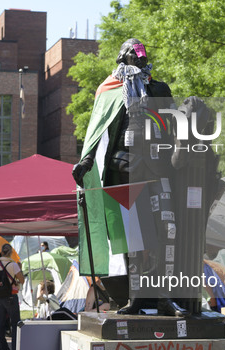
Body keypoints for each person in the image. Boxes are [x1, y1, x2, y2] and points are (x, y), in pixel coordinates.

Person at [72, 38, 187, 316]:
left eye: (142, 56)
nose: (139, 60)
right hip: (123, 168)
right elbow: (98, 128)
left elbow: (173, 125)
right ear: (123, 59)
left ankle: (164, 296)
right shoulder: (109, 89)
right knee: (132, 237)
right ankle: (136, 298)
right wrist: (86, 160)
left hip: (158, 167)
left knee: (168, 229)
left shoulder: (159, 88)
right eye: (134, 56)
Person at [0, 243, 24, 350]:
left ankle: (3, 349)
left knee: (0, 323)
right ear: (11, 253)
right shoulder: (14, 265)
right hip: (11, 296)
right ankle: (15, 349)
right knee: (15, 323)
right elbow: (22, 280)